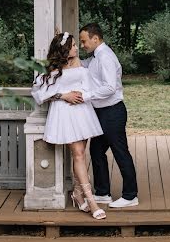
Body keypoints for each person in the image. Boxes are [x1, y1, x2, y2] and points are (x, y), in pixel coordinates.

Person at [31, 31, 106, 220]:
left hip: (83, 112)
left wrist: (81, 94)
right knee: (78, 154)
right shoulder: (50, 68)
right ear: (64, 48)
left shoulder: (79, 63)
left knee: (81, 154)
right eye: (72, 45)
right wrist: (63, 95)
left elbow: (89, 85)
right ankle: (92, 201)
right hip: (64, 112)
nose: (76, 48)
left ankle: (77, 192)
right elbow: (39, 94)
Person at [79, 22, 138, 208]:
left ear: (95, 39)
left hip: (112, 112)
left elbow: (110, 87)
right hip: (102, 113)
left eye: (83, 41)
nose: (82, 45)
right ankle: (103, 193)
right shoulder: (96, 56)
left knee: (120, 152)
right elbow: (83, 65)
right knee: (96, 151)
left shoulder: (105, 57)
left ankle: (130, 196)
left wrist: (86, 96)